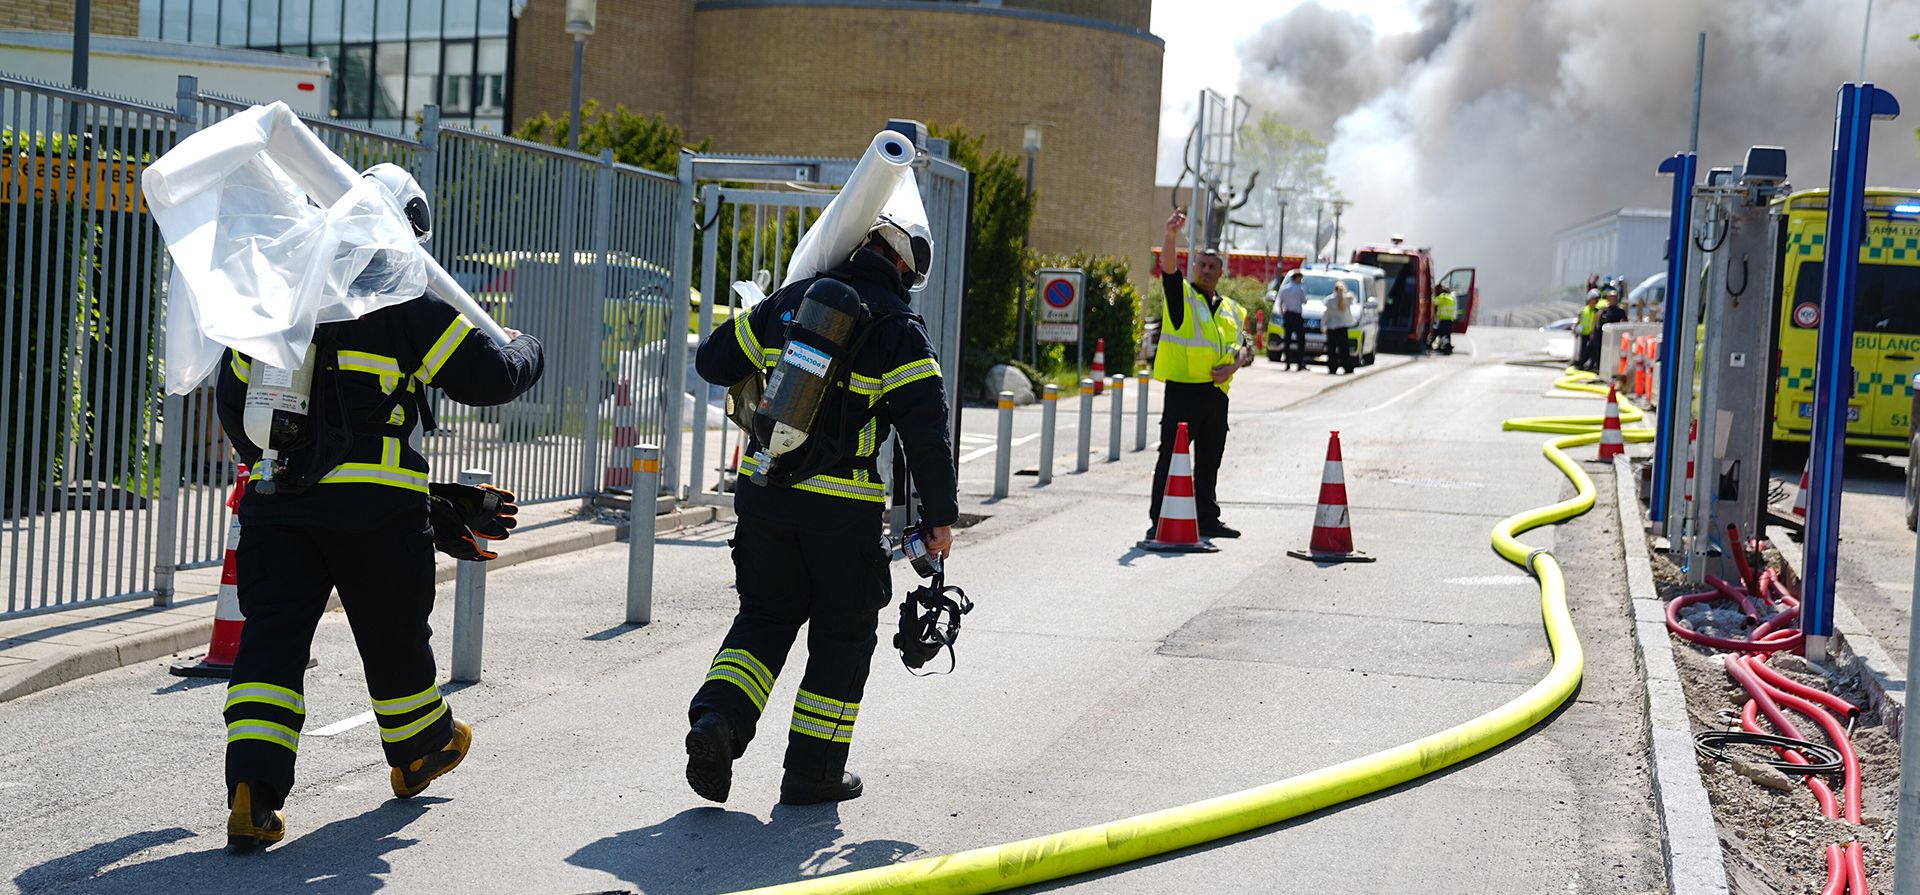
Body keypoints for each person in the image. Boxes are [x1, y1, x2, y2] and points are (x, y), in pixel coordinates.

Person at [214, 164, 545, 852]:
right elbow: (487, 377)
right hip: (376, 513)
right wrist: (526, 347)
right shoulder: (405, 304)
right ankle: (421, 747)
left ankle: (252, 789)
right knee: (393, 635)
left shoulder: (283, 302)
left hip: (278, 505)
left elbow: (234, 408)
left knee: (271, 642)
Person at [684, 212, 958, 807]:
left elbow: (712, 363)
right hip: (843, 510)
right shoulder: (900, 328)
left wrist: (769, 326)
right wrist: (940, 515)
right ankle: (814, 771)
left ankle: (718, 723)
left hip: (766, 492)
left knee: (764, 617)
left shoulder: (792, 303)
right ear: (907, 264)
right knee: (841, 635)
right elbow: (927, 431)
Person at [1153, 209, 1252, 540]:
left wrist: (1234, 366)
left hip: (1216, 394)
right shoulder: (1182, 296)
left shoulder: (1232, 310)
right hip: (1183, 391)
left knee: (1210, 461)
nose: (1207, 270)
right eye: (1201, 265)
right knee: (1170, 458)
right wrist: (1170, 236)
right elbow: (1168, 269)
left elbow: (1244, 348)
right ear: (1193, 268)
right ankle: (1160, 521)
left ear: (1221, 272)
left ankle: (1207, 519)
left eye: (1213, 267)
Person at [1275, 269, 1309, 370]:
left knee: (1287, 340)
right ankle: (1299, 363)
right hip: (1297, 315)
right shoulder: (1300, 289)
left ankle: (1287, 363)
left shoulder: (1284, 289)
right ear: (1296, 278)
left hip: (1287, 315)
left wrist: (1283, 314)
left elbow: (1280, 303)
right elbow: (1304, 301)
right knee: (1301, 340)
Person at [1323, 281, 1357, 374]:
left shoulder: (1329, 300)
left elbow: (1326, 314)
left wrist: (1323, 325)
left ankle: (1332, 368)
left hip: (1332, 327)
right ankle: (1347, 367)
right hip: (1343, 327)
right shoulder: (1347, 299)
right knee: (1344, 349)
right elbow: (1353, 298)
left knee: (1332, 349)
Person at [1575, 288, 1601, 370]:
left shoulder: (1597, 311)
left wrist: (1593, 333)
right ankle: (1581, 364)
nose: (1595, 301)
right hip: (1584, 334)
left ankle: (1591, 365)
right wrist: (1575, 329)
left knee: (1593, 351)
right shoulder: (1584, 310)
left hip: (1592, 334)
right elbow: (1579, 320)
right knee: (1583, 351)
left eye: (1596, 300)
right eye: (1594, 299)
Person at [1431, 283, 1458, 355]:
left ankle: (1443, 347)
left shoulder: (1442, 297)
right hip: (1450, 319)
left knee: (1440, 333)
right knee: (1447, 334)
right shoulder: (1451, 298)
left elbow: (1434, 302)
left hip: (1443, 319)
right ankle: (1447, 347)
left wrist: (1431, 296)